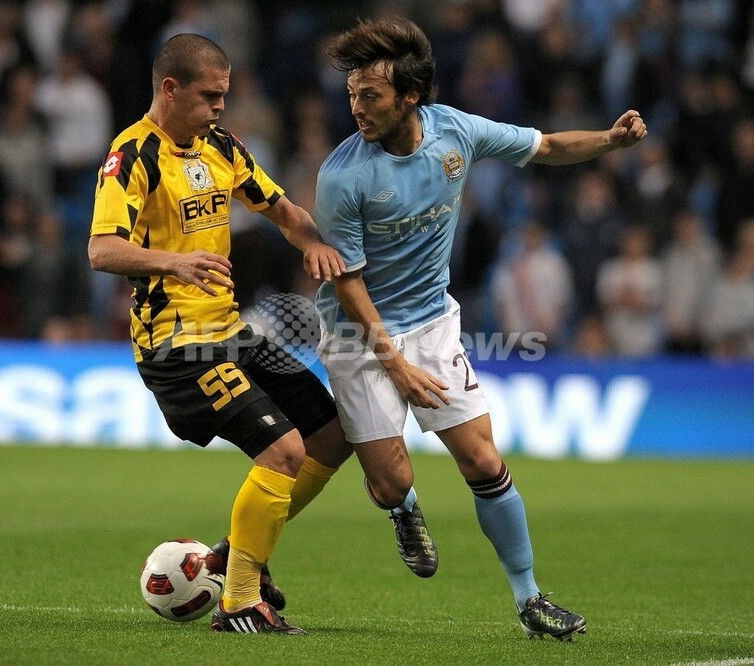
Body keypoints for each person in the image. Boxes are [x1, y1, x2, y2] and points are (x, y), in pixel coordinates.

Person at [314, 17, 647, 641]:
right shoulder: (342, 176)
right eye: (352, 94)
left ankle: (530, 600)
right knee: (392, 480)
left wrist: (610, 140)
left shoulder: (456, 132)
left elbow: (547, 147)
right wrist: (395, 365)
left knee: (484, 460)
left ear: (410, 97)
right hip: (359, 335)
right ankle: (404, 510)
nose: (355, 107)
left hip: (431, 324)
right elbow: (347, 283)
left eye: (370, 95)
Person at [88, 33, 352, 635]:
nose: (220, 107)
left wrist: (312, 242)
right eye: (210, 96)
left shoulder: (221, 147)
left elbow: (282, 209)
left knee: (331, 434)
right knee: (284, 451)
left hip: (229, 332)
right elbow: (101, 250)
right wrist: (173, 263)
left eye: (224, 95)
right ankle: (238, 603)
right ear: (170, 88)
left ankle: (238, 555)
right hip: (175, 345)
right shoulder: (132, 155)